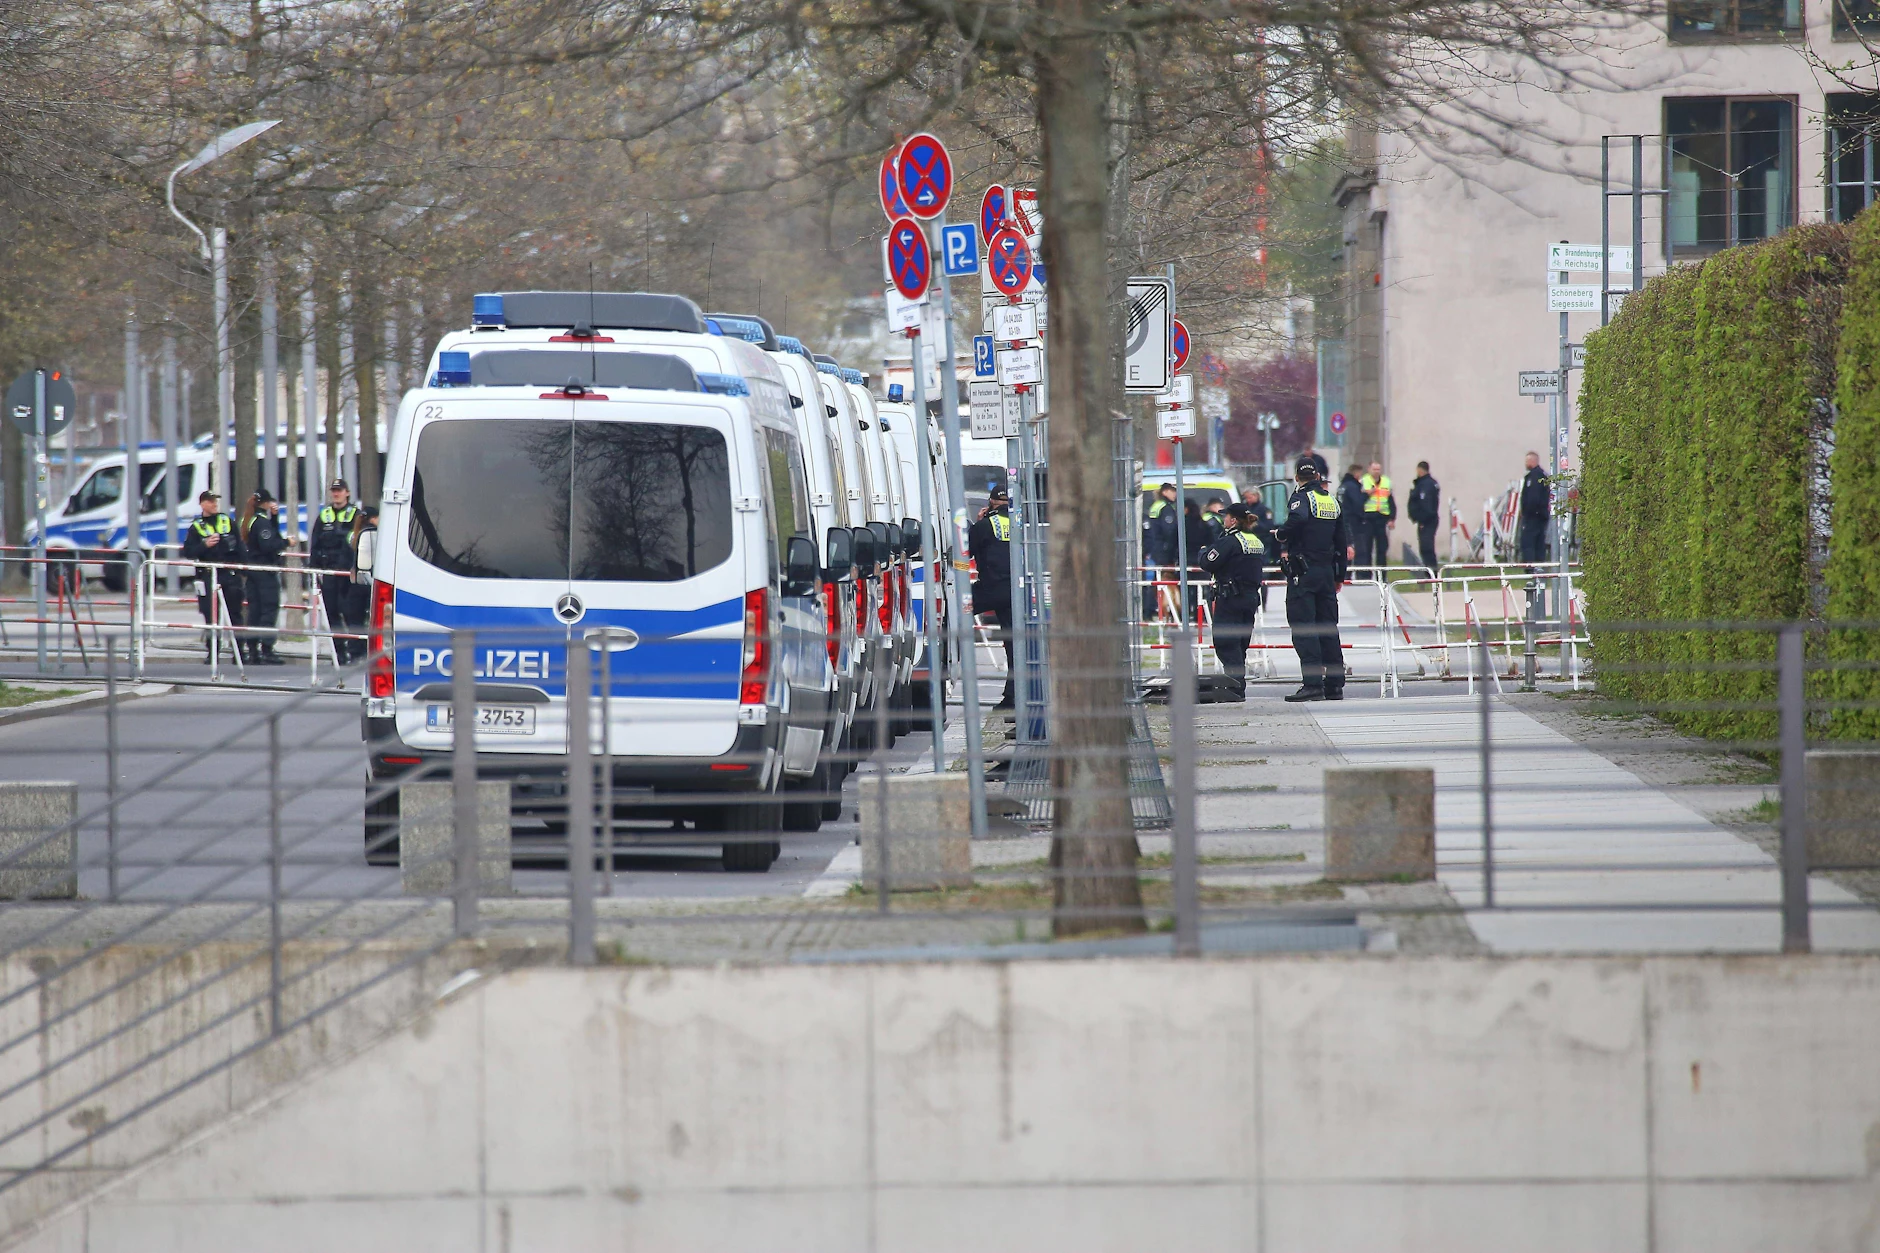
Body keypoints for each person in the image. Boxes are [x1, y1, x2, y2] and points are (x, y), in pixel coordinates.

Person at [1276, 457, 1351, 702]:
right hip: (1326, 573)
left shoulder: (1301, 497)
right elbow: (1341, 542)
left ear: (1297, 478)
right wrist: (1339, 575)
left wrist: (1281, 534)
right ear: (1318, 476)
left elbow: (1297, 519)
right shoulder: (1332, 501)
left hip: (1303, 573)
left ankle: (1312, 684)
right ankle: (1334, 684)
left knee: (1304, 628)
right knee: (1328, 627)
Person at [1198, 503, 1267, 702]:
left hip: (1230, 598)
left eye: (1226, 516)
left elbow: (1208, 562)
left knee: (1226, 642)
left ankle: (1234, 688)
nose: (1224, 520)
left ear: (1233, 520)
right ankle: (1237, 686)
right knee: (1239, 644)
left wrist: (1203, 551)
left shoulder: (1230, 541)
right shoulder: (1255, 540)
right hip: (1250, 599)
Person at [181, 489, 245, 664]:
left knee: (235, 615)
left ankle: (239, 652)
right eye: (210, 501)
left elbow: (240, 547)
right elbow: (188, 552)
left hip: (229, 575)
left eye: (215, 501)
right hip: (208, 576)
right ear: (202, 504)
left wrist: (243, 570)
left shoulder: (227, 521)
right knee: (211, 616)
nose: (214, 504)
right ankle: (213, 653)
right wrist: (204, 545)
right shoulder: (196, 527)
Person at [969, 485, 1015, 710]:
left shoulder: (986, 524)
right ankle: (1013, 697)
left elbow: (967, 548)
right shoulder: (1020, 523)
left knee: (955, 613)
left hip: (991, 589)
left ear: (990, 503)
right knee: (1015, 644)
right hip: (1017, 591)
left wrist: (978, 522)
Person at [311, 479, 363, 663]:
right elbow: (315, 545)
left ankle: (357, 653)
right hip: (329, 573)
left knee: (352, 614)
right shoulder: (324, 516)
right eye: (333, 491)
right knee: (332, 614)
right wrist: (314, 570)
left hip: (349, 575)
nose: (336, 494)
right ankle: (339, 652)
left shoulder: (356, 516)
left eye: (339, 491)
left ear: (347, 493)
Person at [239, 489, 288, 666]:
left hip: (252, 570)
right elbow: (270, 545)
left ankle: (252, 649)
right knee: (269, 608)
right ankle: (267, 649)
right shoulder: (261, 522)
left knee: (255, 610)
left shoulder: (249, 520)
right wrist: (287, 543)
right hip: (264, 571)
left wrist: (274, 518)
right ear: (266, 503)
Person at [1142, 481, 1179, 620]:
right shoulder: (1166, 508)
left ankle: (1149, 609)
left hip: (1154, 549)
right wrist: (1171, 549)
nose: (1175, 494)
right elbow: (1169, 531)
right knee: (1161, 580)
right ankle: (1156, 610)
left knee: (1153, 581)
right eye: (1172, 491)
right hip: (1162, 551)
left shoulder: (1156, 506)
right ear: (1165, 492)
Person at [1360, 460, 1395, 569]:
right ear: (1369, 469)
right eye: (1374, 469)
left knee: (1382, 548)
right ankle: (1366, 575)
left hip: (1382, 518)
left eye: (1378, 469)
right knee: (1367, 548)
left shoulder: (1386, 482)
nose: (1376, 472)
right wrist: (1368, 494)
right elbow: (1358, 501)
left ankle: (1382, 575)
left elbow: (1391, 502)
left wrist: (1392, 518)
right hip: (1368, 517)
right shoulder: (1363, 481)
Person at [1408, 460, 1441, 574]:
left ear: (1420, 470)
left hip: (1427, 521)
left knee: (1426, 547)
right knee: (1426, 546)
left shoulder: (1425, 484)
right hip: (1428, 520)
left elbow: (1426, 504)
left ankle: (1431, 572)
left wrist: (1422, 519)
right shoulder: (1429, 483)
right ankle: (1430, 571)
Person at [1519, 451, 1551, 565]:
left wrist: (1527, 513)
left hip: (1533, 517)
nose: (1525, 463)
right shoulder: (1541, 475)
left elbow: (1533, 498)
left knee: (1529, 543)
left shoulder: (1534, 477)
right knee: (1538, 543)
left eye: (1527, 460)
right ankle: (1539, 568)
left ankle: (1531, 568)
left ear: (1533, 461)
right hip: (1540, 516)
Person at [1337, 464, 1366, 538]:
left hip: (1342, 517)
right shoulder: (1352, 486)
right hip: (1352, 519)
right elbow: (1357, 503)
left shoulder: (1342, 486)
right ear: (1356, 473)